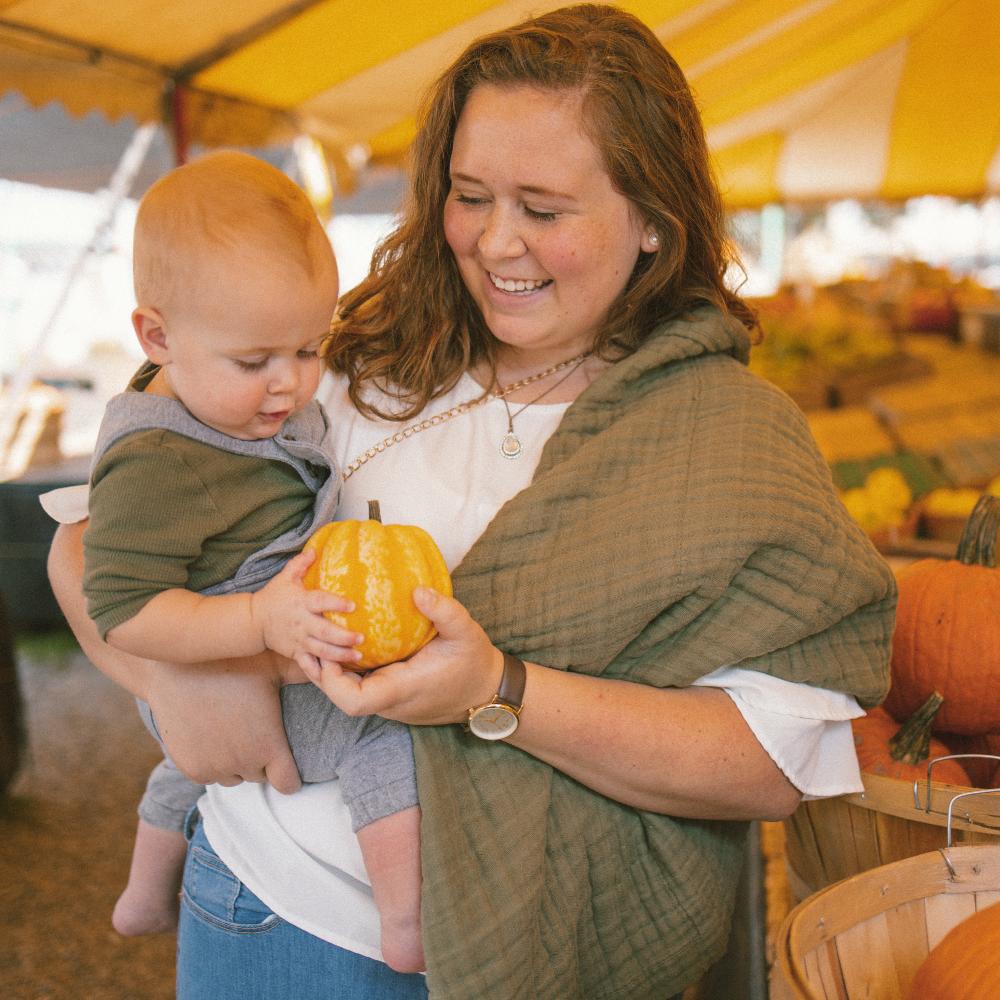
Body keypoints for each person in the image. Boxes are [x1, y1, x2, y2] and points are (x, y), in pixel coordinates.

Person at [47, 6, 897, 998]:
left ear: (653, 220)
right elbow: (87, 544)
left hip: (552, 938)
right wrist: (189, 679)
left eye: (544, 209)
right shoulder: (339, 351)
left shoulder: (729, 440)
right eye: (470, 196)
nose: (496, 242)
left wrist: (497, 690)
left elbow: (773, 766)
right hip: (275, 912)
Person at [66, 150, 425, 971]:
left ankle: (142, 897)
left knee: (191, 767)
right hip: (223, 646)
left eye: (309, 349)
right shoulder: (158, 460)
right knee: (386, 734)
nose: (289, 386)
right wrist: (258, 622)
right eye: (255, 362)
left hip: (237, 659)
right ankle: (406, 924)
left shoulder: (219, 400)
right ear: (158, 337)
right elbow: (122, 610)